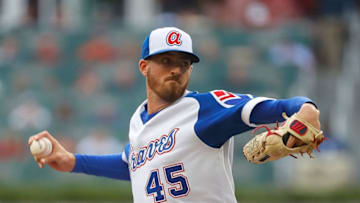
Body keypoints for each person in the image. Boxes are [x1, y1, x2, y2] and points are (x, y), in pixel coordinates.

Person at [28, 27, 321, 203]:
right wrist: (72, 162)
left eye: (184, 63)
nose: (176, 69)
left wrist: (307, 109)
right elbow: (133, 166)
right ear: (144, 67)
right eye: (165, 61)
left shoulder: (207, 108)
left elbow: (280, 106)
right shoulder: (137, 120)